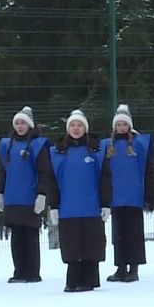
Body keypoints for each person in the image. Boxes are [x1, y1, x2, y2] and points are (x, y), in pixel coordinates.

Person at [49, 109, 111, 293]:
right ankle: (73, 280)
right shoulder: (57, 152)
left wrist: (105, 204)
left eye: (80, 125)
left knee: (91, 245)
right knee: (72, 245)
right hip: (68, 208)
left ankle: (89, 280)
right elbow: (51, 180)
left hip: (91, 207)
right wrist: (54, 206)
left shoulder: (97, 151)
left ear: (85, 128)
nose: (76, 129)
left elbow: (105, 179)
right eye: (73, 125)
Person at [0, 106, 52, 284]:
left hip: (30, 198)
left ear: (30, 125)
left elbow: (44, 172)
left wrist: (42, 194)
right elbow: (3, 171)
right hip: (12, 198)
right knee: (17, 236)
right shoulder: (7, 145)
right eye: (17, 123)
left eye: (23, 123)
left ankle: (33, 272)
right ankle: (19, 271)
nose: (20, 126)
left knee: (30, 235)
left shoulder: (38, 145)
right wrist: (0, 192)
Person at [103, 104, 154, 283]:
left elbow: (148, 170)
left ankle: (134, 268)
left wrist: (149, 195)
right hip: (116, 197)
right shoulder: (108, 145)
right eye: (118, 125)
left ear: (130, 125)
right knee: (118, 235)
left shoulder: (140, 144)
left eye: (124, 124)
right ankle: (120, 267)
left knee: (134, 233)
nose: (121, 127)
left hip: (134, 197)